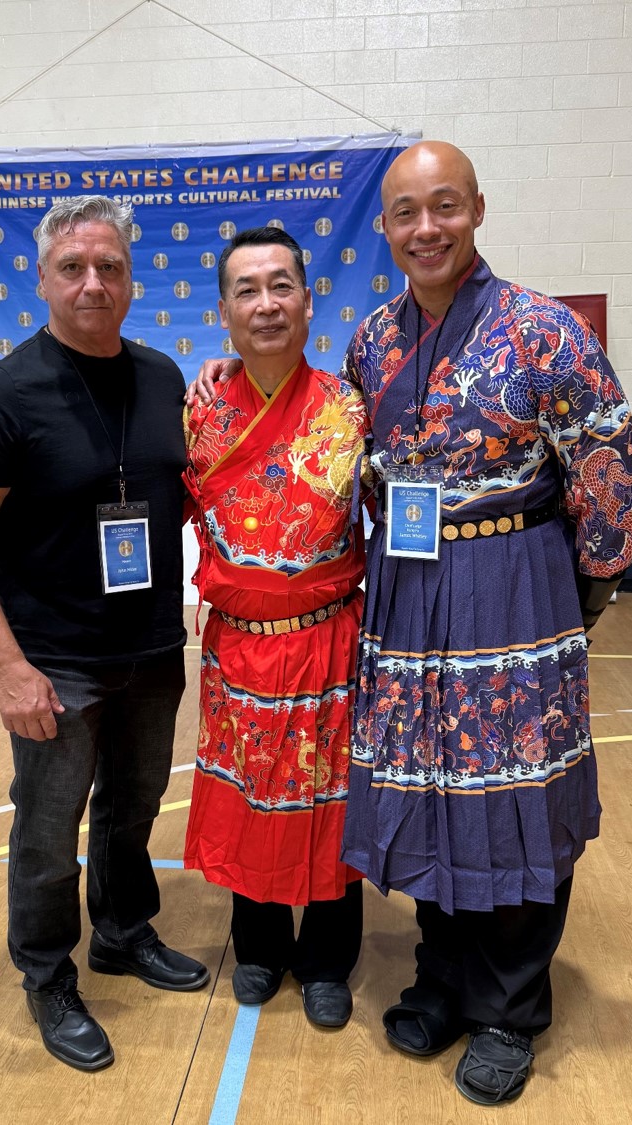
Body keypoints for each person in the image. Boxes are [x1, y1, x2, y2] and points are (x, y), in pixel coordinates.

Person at [188, 142, 632, 1103]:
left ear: (477, 208)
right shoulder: (373, 342)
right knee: (431, 784)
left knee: (514, 789)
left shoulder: (544, 331)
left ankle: (509, 1007)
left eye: (445, 206)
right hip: (408, 593)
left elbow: (612, 475)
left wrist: (581, 598)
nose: (426, 227)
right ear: (386, 227)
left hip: (516, 589)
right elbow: (341, 464)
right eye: (406, 212)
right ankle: (442, 976)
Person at [0, 195, 209, 1073]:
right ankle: (48, 975)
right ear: (42, 279)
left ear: (131, 279)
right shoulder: (2, 393)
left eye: (109, 267)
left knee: (134, 809)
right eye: (73, 268)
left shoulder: (161, 377)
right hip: (54, 660)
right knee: (49, 833)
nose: (93, 283)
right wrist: (9, 670)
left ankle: (122, 932)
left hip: (151, 648)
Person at [182, 226, 369, 1028]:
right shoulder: (197, 411)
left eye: (281, 285)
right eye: (247, 290)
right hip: (238, 646)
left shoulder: (351, 408)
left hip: (328, 640)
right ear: (225, 311)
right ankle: (257, 944)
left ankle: (327, 956)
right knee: (249, 796)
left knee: (331, 800)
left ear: (308, 300)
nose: (266, 304)